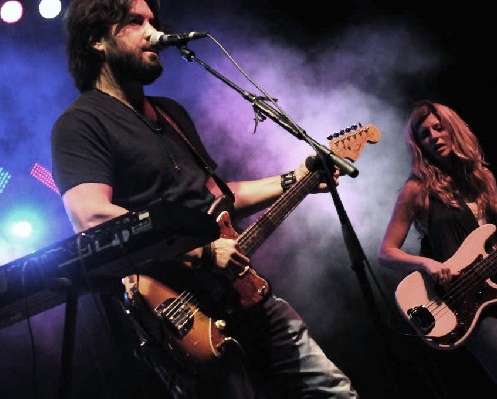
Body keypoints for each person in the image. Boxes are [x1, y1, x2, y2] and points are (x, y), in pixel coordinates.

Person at [50, 0, 359, 398]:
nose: (153, 31)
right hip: (181, 316)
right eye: (135, 22)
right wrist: (201, 253)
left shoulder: (170, 114)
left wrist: (294, 178)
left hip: (242, 291)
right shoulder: (80, 124)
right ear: (96, 39)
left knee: (335, 393)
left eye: (153, 21)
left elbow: (220, 197)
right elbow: (92, 218)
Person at [377, 100, 497, 398]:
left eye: (438, 129)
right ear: (419, 145)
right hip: (469, 302)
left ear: (452, 129)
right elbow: (386, 252)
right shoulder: (416, 190)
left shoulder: (483, 177)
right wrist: (427, 264)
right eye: (425, 135)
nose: (434, 138)